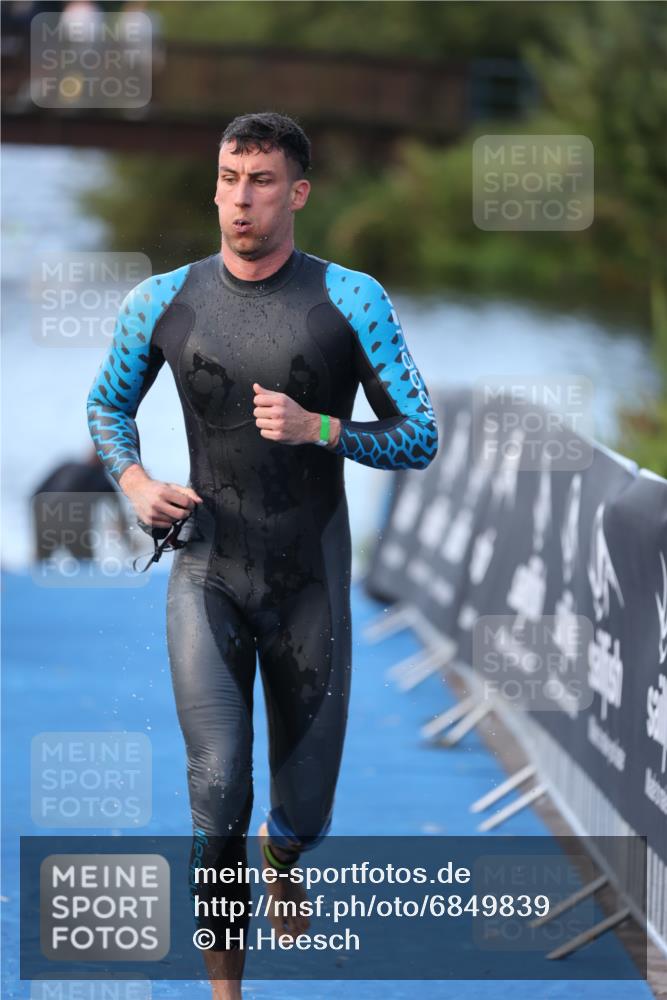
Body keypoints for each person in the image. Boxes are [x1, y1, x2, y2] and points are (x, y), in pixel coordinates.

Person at [86, 112, 438, 998]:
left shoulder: (351, 299)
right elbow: (105, 408)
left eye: (263, 182)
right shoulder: (160, 301)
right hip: (207, 570)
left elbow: (421, 434)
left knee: (303, 811)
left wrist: (323, 427)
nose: (242, 200)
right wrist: (133, 485)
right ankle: (226, 991)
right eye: (230, 178)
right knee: (216, 792)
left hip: (310, 581)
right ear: (213, 184)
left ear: (298, 193)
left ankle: (285, 856)